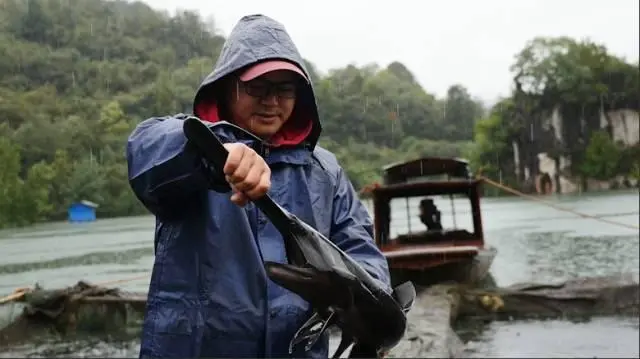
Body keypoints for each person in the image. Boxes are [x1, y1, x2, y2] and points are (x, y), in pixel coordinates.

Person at [126, 14, 392, 358]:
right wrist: (215, 153)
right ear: (227, 86)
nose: (272, 101)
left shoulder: (326, 172)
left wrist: (370, 312)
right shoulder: (186, 147)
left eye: (285, 88)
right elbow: (146, 154)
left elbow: (362, 254)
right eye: (257, 87)